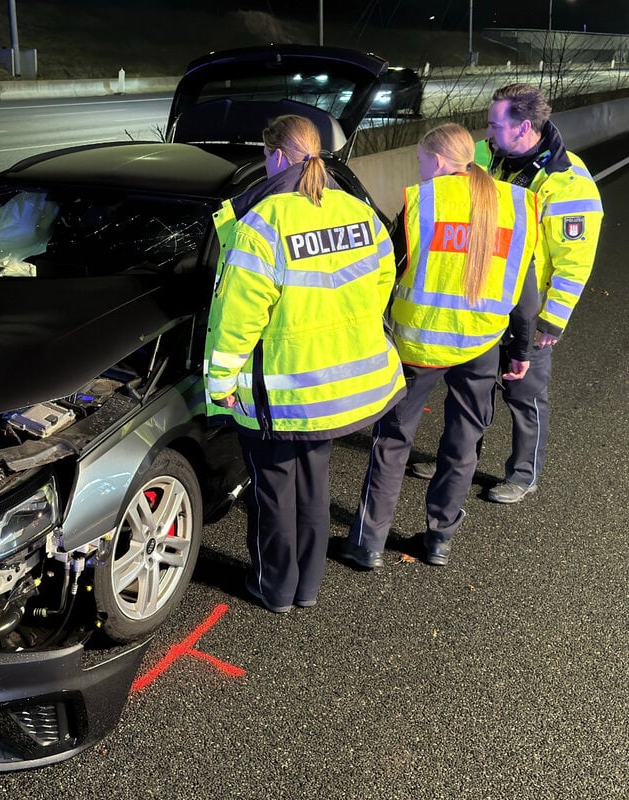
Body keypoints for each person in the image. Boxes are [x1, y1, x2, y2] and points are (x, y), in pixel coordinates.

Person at [205, 114, 405, 613]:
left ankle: (273, 588)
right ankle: (307, 588)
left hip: (280, 391)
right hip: (337, 388)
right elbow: (382, 284)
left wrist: (220, 381)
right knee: (313, 489)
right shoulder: (357, 211)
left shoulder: (264, 222)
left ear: (273, 157)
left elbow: (238, 318)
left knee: (273, 492)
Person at [341, 123, 540, 570]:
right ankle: (439, 540)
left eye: (420, 161)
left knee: (393, 441)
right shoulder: (517, 206)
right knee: (462, 444)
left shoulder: (421, 203)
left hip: (418, 345)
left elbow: (384, 273)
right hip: (481, 345)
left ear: (436, 160)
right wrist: (520, 353)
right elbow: (526, 299)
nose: (419, 168)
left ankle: (368, 543)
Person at [410, 84, 604, 501]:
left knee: (524, 394)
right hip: (482, 298)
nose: (487, 132)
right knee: (471, 390)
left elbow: (574, 261)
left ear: (524, 128)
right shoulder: (485, 155)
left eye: (495, 125)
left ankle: (522, 474)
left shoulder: (567, 182)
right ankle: (458, 461)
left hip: (528, 309)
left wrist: (552, 318)